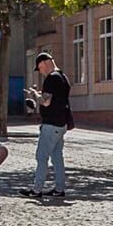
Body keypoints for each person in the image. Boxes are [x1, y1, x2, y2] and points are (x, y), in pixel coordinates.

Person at [25, 52, 73, 198]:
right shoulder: (63, 77)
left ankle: (36, 190)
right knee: (57, 157)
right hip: (61, 123)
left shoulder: (51, 78)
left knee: (41, 156)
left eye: (39, 68)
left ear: (44, 63)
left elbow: (46, 101)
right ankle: (59, 189)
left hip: (51, 124)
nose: (40, 71)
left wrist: (35, 95)